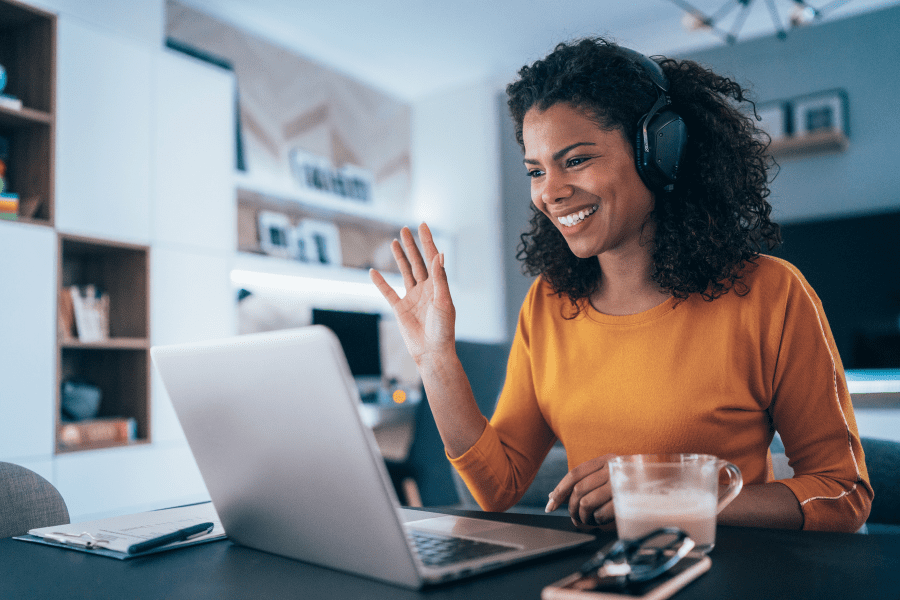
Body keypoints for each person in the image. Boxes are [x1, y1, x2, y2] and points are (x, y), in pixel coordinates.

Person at [369, 37, 872, 533]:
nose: (551, 192)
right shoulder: (547, 304)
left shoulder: (770, 293)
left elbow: (843, 493)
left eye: (576, 160)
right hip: (601, 577)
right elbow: (497, 487)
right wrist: (435, 361)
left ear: (659, 150)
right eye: (536, 170)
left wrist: (673, 499)